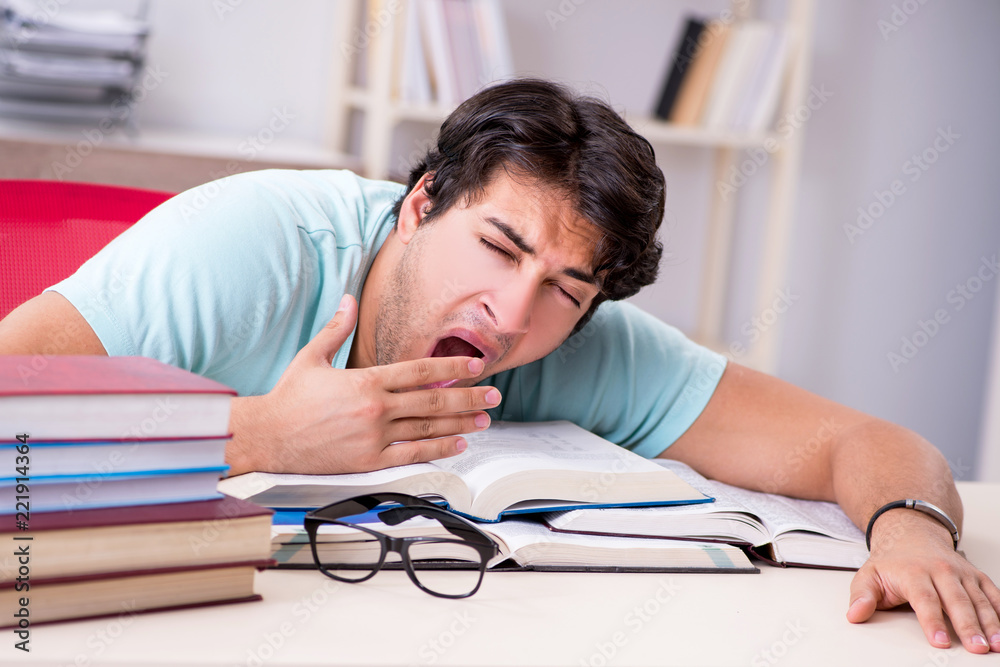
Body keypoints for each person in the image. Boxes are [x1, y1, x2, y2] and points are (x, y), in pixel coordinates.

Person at [0, 78, 997, 654]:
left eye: (564, 287)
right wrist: (261, 434)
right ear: (422, 202)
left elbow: (863, 441)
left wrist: (912, 532)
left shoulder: (580, 338)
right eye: (499, 246)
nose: (512, 315)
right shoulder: (251, 245)